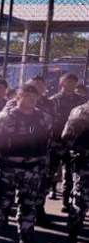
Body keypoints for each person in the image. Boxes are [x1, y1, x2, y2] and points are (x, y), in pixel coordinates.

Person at [0, 85, 53, 243]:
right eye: (27, 95)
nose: (31, 99)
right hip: (8, 169)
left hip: (32, 170)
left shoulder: (43, 119)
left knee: (28, 205)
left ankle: (26, 238)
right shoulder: (4, 118)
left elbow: (45, 145)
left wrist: (44, 167)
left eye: (34, 95)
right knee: (0, 204)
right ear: (18, 98)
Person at [42, 73, 84, 221]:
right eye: (68, 81)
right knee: (48, 173)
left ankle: (67, 203)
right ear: (61, 83)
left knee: (71, 175)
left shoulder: (81, 100)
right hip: (56, 142)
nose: (71, 84)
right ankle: (39, 206)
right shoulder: (54, 100)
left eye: (73, 82)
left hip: (74, 143)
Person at [62, 99, 89, 243]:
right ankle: (72, 238)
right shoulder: (82, 111)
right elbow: (68, 136)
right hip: (86, 164)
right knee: (81, 201)